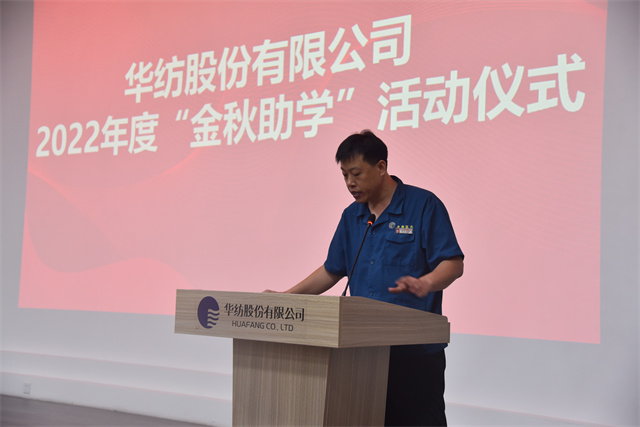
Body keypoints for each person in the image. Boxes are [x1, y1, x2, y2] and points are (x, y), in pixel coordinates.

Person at [266, 130, 464, 426]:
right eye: (344, 175)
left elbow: (453, 263)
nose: (350, 183)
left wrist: (427, 283)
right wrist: (285, 298)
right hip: (361, 352)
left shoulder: (423, 205)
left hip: (413, 354)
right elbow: (332, 270)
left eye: (356, 173)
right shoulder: (352, 216)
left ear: (381, 167)